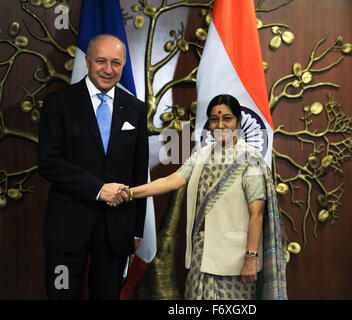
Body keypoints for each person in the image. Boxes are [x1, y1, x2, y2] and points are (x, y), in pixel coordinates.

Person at [117, 94, 288, 300]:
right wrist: (130, 193)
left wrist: (251, 258)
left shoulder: (250, 159)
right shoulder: (202, 155)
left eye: (227, 118)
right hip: (202, 255)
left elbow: (257, 213)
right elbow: (171, 181)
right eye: (215, 119)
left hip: (234, 260)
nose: (220, 124)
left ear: (238, 122)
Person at [38, 34, 149, 299]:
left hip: (116, 230)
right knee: (60, 294)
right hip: (67, 227)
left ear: (123, 65)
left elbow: (138, 171)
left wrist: (136, 230)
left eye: (116, 63)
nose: (108, 69)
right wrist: (99, 189)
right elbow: (49, 163)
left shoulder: (135, 109)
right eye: (101, 61)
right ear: (87, 62)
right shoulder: (58, 103)